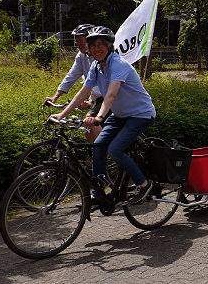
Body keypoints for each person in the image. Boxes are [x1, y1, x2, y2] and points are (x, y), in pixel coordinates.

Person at [51, 26, 157, 205]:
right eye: (92, 45)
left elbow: (111, 94)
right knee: (98, 145)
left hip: (140, 115)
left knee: (115, 150)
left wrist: (99, 116)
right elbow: (82, 93)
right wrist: (61, 115)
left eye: (101, 44)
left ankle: (144, 184)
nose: (96, 49)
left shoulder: (119, 64)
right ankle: (99, 189)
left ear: (109, 46)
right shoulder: (96, 66)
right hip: (120, 114)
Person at [44, 23, 102, 142]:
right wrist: (55, 97)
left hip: (110, 96)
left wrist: (90, 101)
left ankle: (102, 155)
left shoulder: (101, 57)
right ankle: (100, 153)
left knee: (90, 121)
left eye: (81, 40)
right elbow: (71, 76)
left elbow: (101, 83)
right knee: (89, 126)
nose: (78, 44)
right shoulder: (82, 56)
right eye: (76, 41)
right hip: (96, 96)